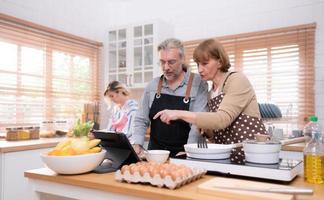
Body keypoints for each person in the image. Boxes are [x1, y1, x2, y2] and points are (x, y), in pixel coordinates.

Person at [154, 39, 267, 162]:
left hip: (253, 157)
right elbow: (217, 134)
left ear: (219, 61)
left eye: (205, 63)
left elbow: (222, 120)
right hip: (228, 159)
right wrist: (206, 130)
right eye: (198, 64)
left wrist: (179, 113)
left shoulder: (236, 80)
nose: (200, 69)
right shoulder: (210, 93)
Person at [131, 38, 208, 157]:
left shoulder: (199, 83)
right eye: (162, 62)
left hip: (184, 153)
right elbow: (141, 119)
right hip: (155, 155)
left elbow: (198, 122)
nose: (166, 67)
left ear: (182, 59)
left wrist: (189, 151)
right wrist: (137, 144)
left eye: (171, 62)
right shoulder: (152, 85)